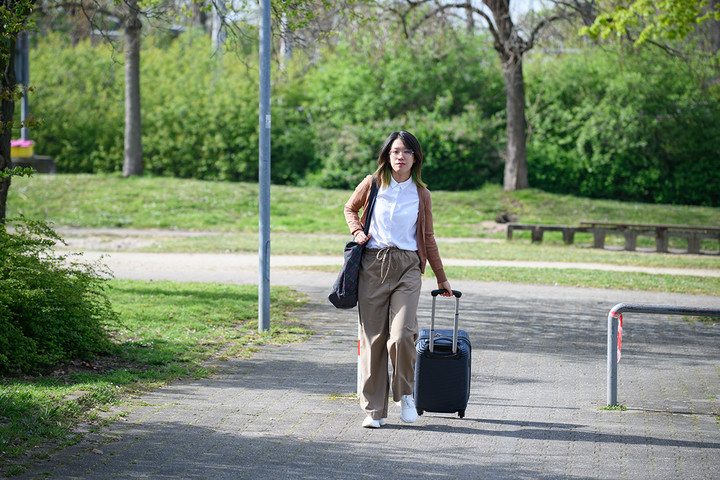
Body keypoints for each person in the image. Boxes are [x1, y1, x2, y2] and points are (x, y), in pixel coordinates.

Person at [344, 130, 453, 428]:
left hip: (407, 266)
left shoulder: (421, 194)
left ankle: (405, 394)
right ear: (387, 155)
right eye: (395, 152)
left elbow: (428, 238)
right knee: (373, 339)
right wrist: (357, 232)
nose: (400, 157)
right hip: (373, 265)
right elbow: (349, 208)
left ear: (415, 157)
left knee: (403, 334)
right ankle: (374, 411)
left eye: (406, 152)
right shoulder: (372, 184)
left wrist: (441, 278)